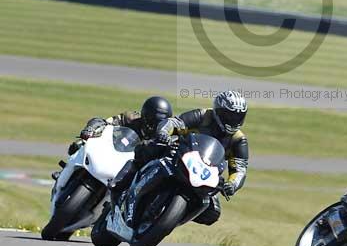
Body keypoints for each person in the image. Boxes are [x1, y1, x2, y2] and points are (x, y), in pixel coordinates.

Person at [153, 90, 249, 226]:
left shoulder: (238, 140)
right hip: (179, 157)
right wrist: (163, 132)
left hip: (205, 175)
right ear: (218, 111)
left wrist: (232, 184)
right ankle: (121, 183)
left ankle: (171, 219)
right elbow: (175, 122)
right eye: (229, 115)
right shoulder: (203, 116)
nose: (233, 120)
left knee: (212, 213)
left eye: (238, 117)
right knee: (149, 149)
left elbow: (240, 169)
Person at [68, 96, 173, 156]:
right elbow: (103, 122)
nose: (155, 125)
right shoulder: (131, 118)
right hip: (111, 150)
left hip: (130, 166)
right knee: (79, 145)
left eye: (160, 123)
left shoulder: (164, 137)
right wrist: (91, 129)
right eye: (152, 120)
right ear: (144, 115)